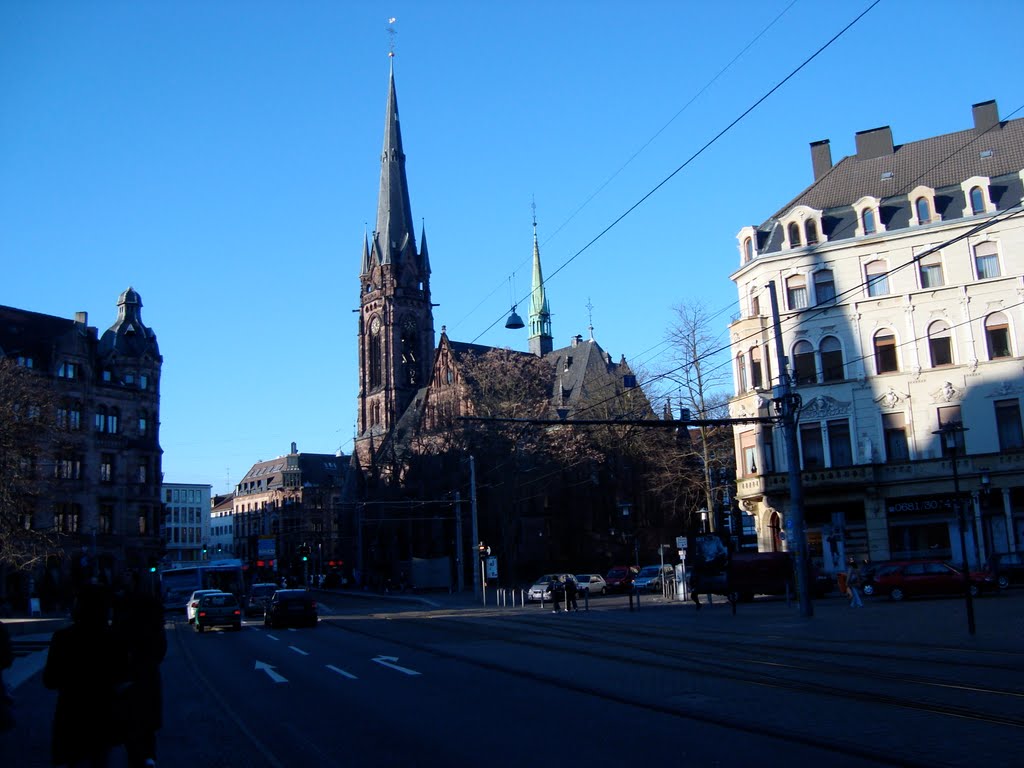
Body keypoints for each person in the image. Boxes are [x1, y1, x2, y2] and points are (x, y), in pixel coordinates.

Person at [44, 583, 122, 767]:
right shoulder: (111, 639)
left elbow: (49, 680)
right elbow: (122, 675)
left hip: (71, 714)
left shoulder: (63, 638)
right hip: (102, 714)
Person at [112, 579, 167, 768]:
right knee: (147, 731)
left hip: (129, 684)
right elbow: (160, 652)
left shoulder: (124, 624)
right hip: (148, 681)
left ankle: (141, 759)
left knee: (132, 733)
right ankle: (149, 758)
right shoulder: (154, 625)